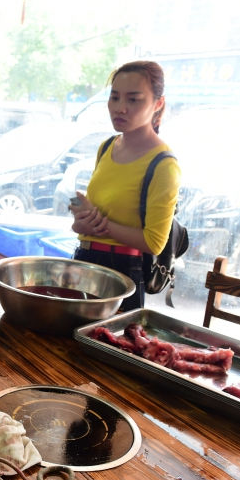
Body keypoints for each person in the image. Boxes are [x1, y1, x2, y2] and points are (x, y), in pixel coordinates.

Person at [69, 60, 181, 311]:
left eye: (133, 99)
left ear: (158, 104)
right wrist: (80, 220)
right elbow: (92, 218)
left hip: (123, 272)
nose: (120, 108)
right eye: (115, 97)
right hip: (84, 261)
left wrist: (100, 224)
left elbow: (154, 242)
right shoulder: (107, 146)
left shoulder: (164, 165)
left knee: (105, 338)